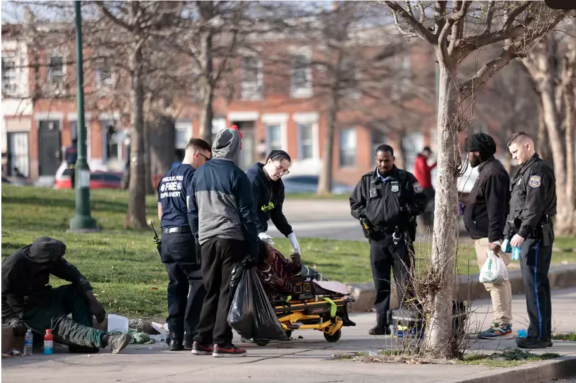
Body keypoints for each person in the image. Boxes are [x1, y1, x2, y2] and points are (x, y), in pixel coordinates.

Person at [188, 125, 259, 358]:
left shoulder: (198, 174)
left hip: (206, 239)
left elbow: (192, 212)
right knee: (226, 291)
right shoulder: (238, 175)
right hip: (231, 239)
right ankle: (222, 342)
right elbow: (248, 216)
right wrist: (253, 247)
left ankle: (201, 341)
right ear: (234, 149)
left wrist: (198, 239)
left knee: (210, 291)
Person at [1, 237, 131, 354]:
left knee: (77, 291)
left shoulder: (48, 259)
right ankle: (107, 339)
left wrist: (93, 301)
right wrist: (12, 319)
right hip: (27, 311)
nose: (59, 261)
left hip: (44, 298)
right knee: (62, 325)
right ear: (44, 260)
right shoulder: (13, 265)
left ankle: (83, 343)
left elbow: (76, 276)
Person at [350, 144, 427, 335]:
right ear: (376, 160)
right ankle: (381, 324)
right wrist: (364, 215)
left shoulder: (405, 179)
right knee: (380, 282)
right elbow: (354, 203)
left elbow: (421, 201)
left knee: (405, 283)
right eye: (380, 160)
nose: (383, 164)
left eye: (387, 160)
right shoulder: (367, 181)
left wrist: (404, 211)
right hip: (377, 238)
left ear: (393, 159)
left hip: (400, 237)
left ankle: (407, 323)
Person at [157, 138, 211, 351]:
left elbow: (161, 210)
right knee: (200, 280)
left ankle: (174, 337)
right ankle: (191, 333)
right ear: (197, 154)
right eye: (206, 158)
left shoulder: (166, 176)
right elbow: (192, 208)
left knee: (176, 285)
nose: (206, 163)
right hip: (184, 235)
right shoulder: (193, 175)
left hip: (167, 237)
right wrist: (198, 238)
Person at [505, 132, 556, 349]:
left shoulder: (537, 171)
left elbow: (533, 207)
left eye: (516, 151)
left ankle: (540, 336)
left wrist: (522, 232)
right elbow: (517, 205)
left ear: (527, 146)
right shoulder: (524, 171)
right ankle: (538, 332)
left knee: (536, 286)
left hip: (535, 236)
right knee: (532, 286)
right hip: (528, 236)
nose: (514, 157)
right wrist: (509, 232)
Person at [461, 133, 512, 339]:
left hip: (489, 239)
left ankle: (501, 324)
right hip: (483, 237)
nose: (467, 156)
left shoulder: (493, 173)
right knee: (497, 280)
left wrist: (494, 240)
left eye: (469, 152)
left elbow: (496, 209)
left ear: (478, 152)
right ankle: (503, 323)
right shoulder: (487, 170)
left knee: (495, 280)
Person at [246, 150, 301, 255]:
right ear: (270, 161)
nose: (281, 173)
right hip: (243, 231)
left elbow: (277, 213)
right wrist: (259, 232)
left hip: (258, 231)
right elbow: (248, 211)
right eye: (279, 168)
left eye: (285, 171)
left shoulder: (278, 185)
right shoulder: (253, 180)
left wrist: (289, 233)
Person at [413, 147, 436, 231]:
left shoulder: (418, 159)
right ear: (425, 152)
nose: (429, 156)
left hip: (420, 186)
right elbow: (424, 171)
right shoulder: (421, 159)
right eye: (429, 153)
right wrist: (436, 164)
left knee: (424, 204)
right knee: (429, 203)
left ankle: (425, 223)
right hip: (424, 186)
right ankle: (426, 223)